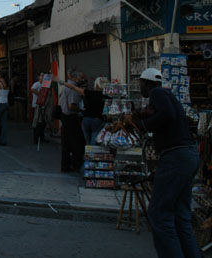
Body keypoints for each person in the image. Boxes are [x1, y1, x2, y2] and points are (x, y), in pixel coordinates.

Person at [125, 68, 200, 258]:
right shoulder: (168, 95)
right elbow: (166, 116)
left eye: (141, 83)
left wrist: (143, 126)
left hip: (175, 157)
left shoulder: (157, 93)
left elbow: (167, 115)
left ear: (147, 83)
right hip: (187, 156)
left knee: (159, 214)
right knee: (180, 216)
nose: (140, 86)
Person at [58, 76, 109, 145]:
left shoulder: (89, 93)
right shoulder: (106, 96)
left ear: (96, 84)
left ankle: (87, 153)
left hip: (86, 119)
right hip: (97, 120)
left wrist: (61, 82)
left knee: (86, 142)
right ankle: (92, 153)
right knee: (94, 141)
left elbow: (73, 87)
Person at [57, 71, 85, 172]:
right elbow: (71, 106)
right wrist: (82, 110)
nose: (82, 80)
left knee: (66, 144)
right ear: (74, 78)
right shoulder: (73, 89)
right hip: (71, 118)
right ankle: (76, 165)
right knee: (76, 143)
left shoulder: (64, 87)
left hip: (64, 117)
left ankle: (65, 165)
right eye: (81, 78)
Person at [31, 72, 49, 144]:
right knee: (37, 122)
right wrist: (40, 95)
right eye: (41, 75)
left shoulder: (45, 84)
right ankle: (36, 138)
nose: (43, 77)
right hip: (37, 105)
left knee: (43, 122)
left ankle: (41, 137)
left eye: (44, 76)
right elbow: (32, 89)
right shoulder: (37, 84)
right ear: (39, 77)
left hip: (43, 105)